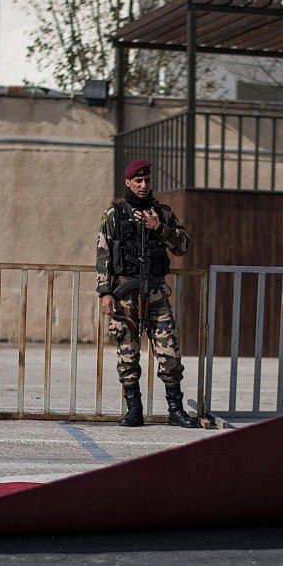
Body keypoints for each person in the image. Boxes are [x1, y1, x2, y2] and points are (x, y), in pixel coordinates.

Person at [96, 159, 197, 428]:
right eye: (138, 181)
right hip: (124, 294)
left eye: (147, 181)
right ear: (127, 182)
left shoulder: (162, 213)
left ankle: (175, 410)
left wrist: (159, 229)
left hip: (155, 294)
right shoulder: (114, 216)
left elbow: (183, 246)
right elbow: (103, 257)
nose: (143, 186)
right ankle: (134, 410)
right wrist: (105, 293)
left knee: (170, 354)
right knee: (127, 354)